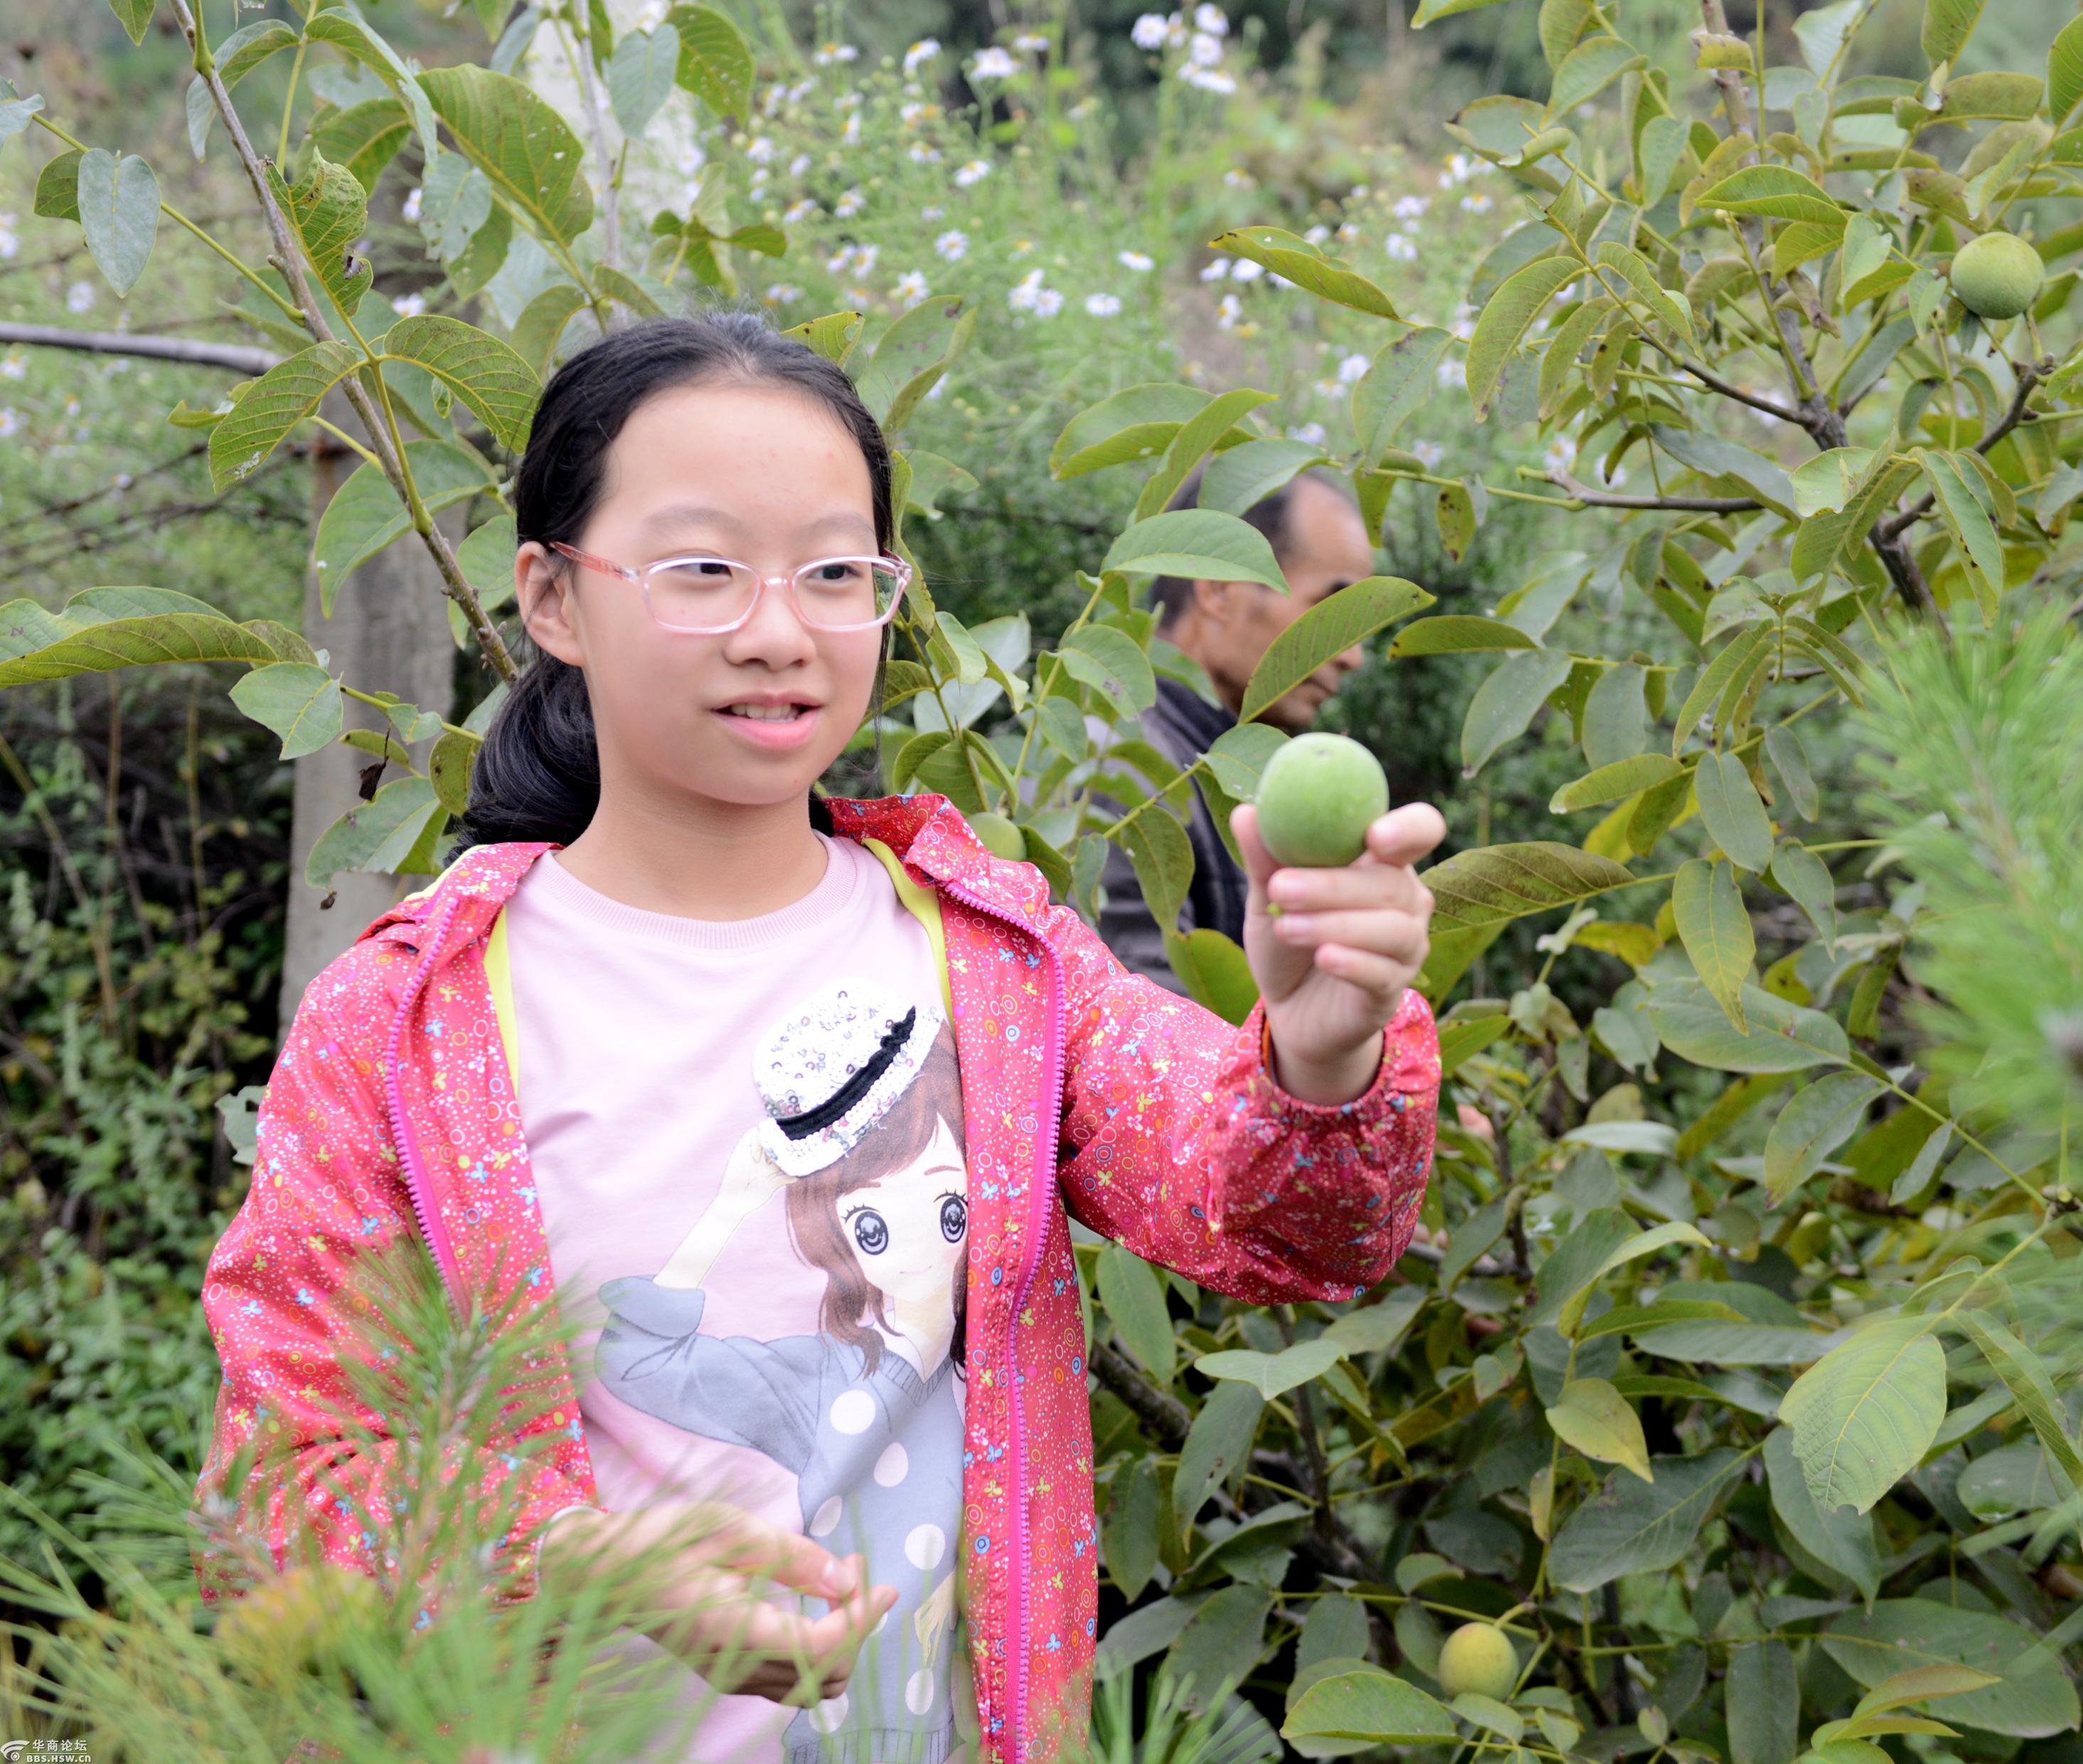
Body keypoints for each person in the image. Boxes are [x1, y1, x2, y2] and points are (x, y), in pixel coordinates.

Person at [189, 309, 1446, 1764]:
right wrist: (574, 1558)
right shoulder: (408, 1025)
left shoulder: (990, 959)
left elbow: (1280, 1223)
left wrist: (1323, 1047)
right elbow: (277, 1494)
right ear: (551, 596)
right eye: (703, 567)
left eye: (835, 572)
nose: (778, 630)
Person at [1096, 464, 1378, 994]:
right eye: (1332, 610)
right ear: (1219, 589)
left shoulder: (1226, 767)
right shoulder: (1120, 769)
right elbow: (1135, 1042)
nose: (1355, 656)